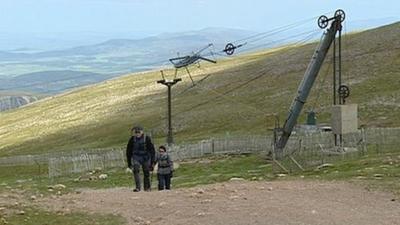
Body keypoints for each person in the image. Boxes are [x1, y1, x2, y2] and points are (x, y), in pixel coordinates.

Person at [126, 125, 155, 192]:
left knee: (146, 171)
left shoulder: (147, 138)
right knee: (136, 169)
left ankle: (147, 187)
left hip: (146, 157)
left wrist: (152, 162)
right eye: (136, 132)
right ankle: (138, 187)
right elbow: (128, 151)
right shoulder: (132, 139)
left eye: (139, 132)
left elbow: (152, 150)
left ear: (142, 132)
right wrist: (129, 163)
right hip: (136, 157)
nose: (137, 133)